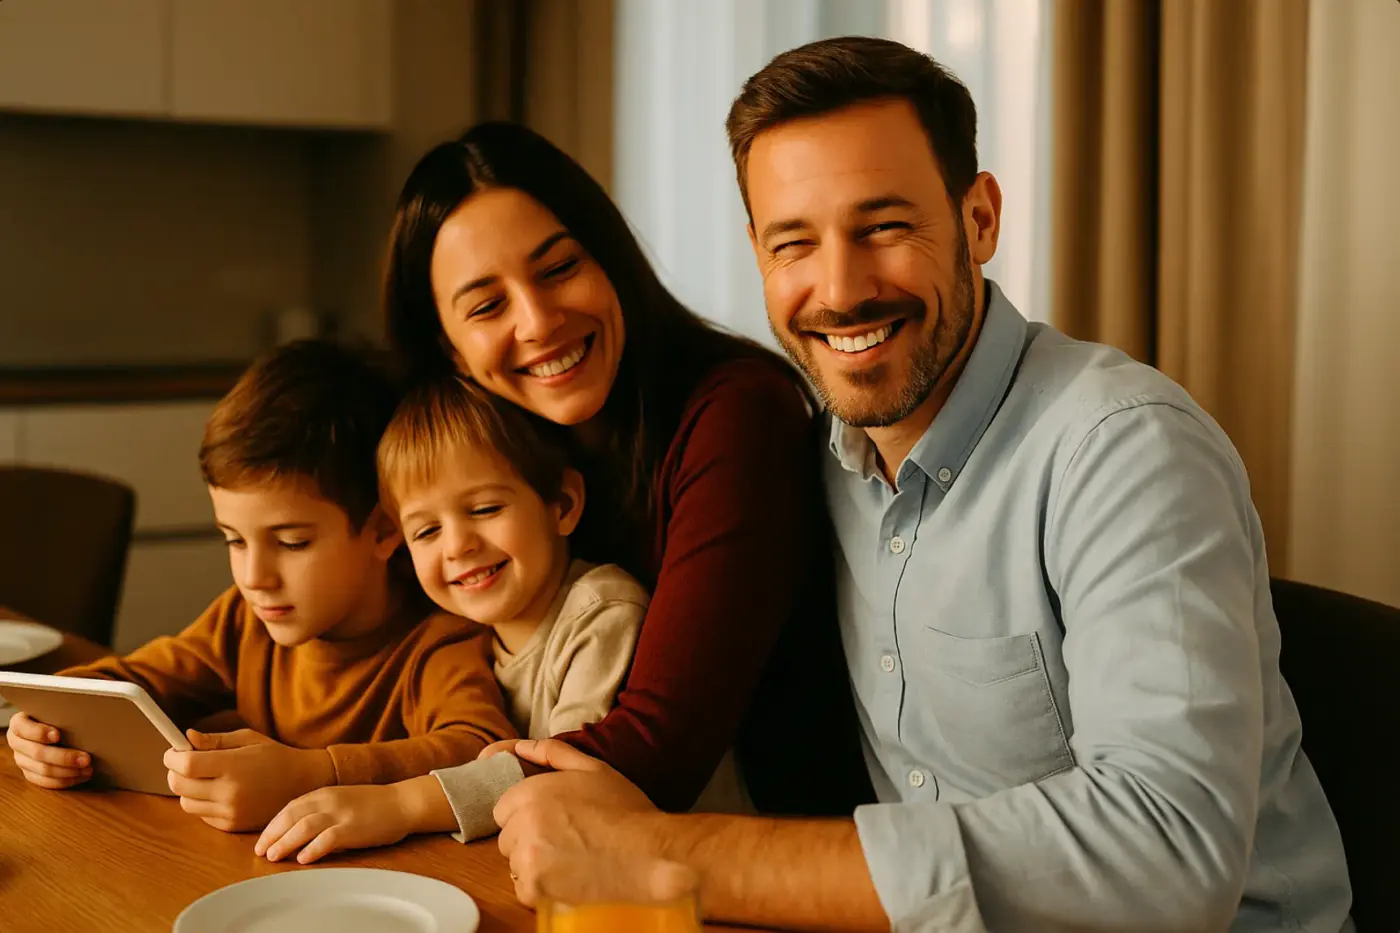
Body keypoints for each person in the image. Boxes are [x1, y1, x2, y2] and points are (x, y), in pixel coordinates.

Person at [488, 36, 1354, 933]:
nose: (840, 288)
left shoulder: (1124, 448)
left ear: (979, 218)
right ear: (757, 253)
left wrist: (666, 853)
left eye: (884, 227)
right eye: (794, 243)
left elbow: (1166, 852)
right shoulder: (819, 460)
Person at [372, 120, 872, 826]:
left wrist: (397, 801)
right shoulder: (490, 466)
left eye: (559, 268)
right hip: (566, 839)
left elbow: (655, 749)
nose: (539, 320)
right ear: (448, 349)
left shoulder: (738, 411)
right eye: (487, 305)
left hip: (761, 848)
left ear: (609, 259)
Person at [5, 340, 516, 833]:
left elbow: (481, 747)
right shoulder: (243, 621)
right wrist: (49, 725)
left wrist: (313, 772)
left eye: (292, 543)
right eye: (234, 540)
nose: (254, 577)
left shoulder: (437, 642)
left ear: (384, 530)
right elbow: (136, 679)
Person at [254, 374, 649, 863]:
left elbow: (567, 777)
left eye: (484, 508)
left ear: (562, 505)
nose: (457, 545)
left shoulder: (600, 610)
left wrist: (398, 804)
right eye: (426, 531)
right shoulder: (463, 630)